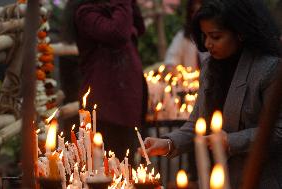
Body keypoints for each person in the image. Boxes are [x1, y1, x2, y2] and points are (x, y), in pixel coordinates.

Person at [141, 0, 282, 188]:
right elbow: (196, 124)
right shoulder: (210, 67)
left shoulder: (269, 69)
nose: (207, 44)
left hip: (261, 179)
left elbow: (278, 130)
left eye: (215, 37)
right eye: (204, 36)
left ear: (239, 33)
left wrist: (231, 141)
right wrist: (168, 144)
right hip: (219, 178)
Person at [63, 0, 147, 160]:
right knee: (109, 171)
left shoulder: (114, 7)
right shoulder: (85, 12)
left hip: (125, 106)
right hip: (105, 110)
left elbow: (140, 26)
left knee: (128, 169)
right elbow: (118, 33)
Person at [164, 0, 208, 70]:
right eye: (193, 11)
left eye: (199, 11)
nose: (197, 15)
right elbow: (171, 61)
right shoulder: (182, 36)